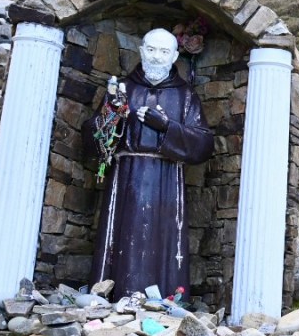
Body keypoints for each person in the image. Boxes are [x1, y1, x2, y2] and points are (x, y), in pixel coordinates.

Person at [83, 28, 213, 300]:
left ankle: (165, 299)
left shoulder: (185, 95)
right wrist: (113, 116)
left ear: (174, 56)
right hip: (126, 176)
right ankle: (115, 295)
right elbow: (93, 137)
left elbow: (203, 143)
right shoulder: (122, 89)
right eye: (151, 49)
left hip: (166, 179)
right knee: (124, 234)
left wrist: (166, 126)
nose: (156, 56)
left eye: (164, 51)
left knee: (161, 239)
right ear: (141, 51)